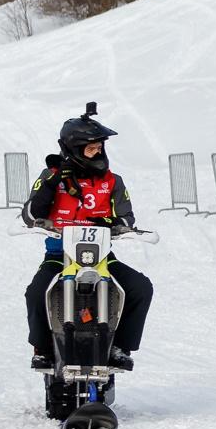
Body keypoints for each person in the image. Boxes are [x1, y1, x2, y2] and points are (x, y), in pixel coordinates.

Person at [23, 107, 153, 371]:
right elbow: (29, 214)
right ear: (73, 150)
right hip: (59, 255)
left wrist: (115, 225)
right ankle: (43, 349)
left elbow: (126, 217)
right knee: (35, 292)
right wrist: (51, 183)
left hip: (101, 256)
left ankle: (120, 346)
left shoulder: (113, 181)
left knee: (141, 287)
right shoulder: (50, 176)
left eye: (100, 148)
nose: (99, 153)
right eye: (91, 149)